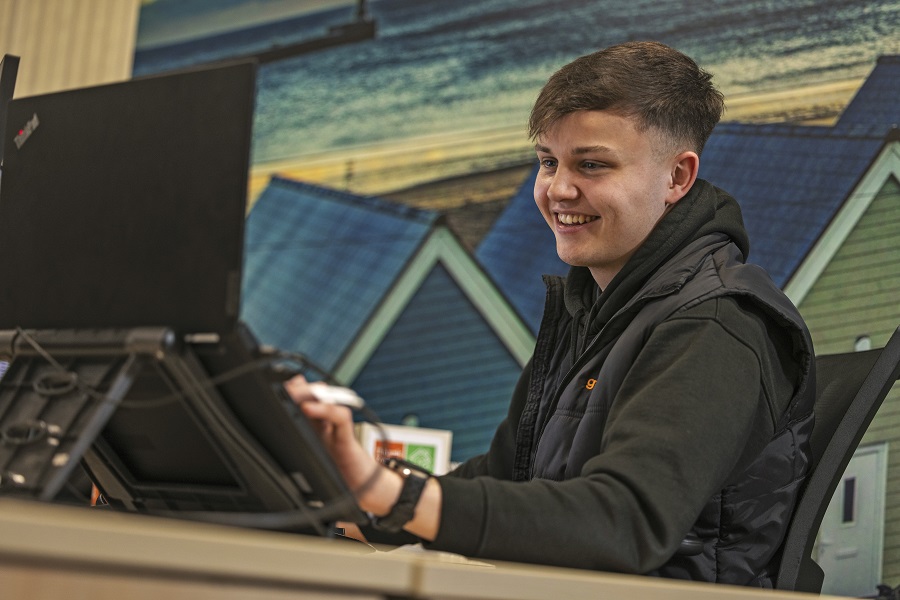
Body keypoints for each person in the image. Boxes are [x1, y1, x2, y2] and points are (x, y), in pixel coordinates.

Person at [287, 40, 815, 587]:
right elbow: (506, 476)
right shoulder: (593, 307)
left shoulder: (715, 324)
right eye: (547, 162)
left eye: (591, 165)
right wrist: (358, 509)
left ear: (677, 178)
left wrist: (396, 498)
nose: (558, 189)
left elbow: (623, 522)